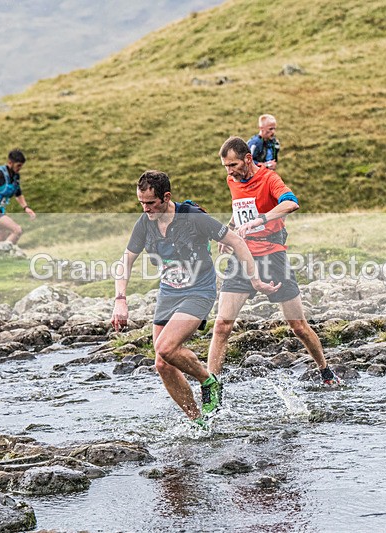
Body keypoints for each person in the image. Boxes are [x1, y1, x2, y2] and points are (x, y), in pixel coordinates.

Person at [110, 170, 278, 427]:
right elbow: (126, 260)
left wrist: (254, 279)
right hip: (168, 293)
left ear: (166, 197)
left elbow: (237, 241)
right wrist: (120, 298)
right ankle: (198, 421)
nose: (145, 209)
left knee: (166, 348)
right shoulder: (145, 223)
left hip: (199, 291)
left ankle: (208, 380)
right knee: (162, 363)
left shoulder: (193, 217)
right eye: (141, 203)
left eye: (151, 203)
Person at [206, 136, 341, 408]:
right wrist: (227, 232)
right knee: (222, 325)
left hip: (273, 258)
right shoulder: (232, 181)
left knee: (298, 327)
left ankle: (325, 370)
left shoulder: (269, 179)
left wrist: (262, 219)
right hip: (242, 257)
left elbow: (291, 203)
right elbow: (239, 212)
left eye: (232, 164)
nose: (229, 171)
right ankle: (212, 388)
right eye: (224, 166)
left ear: (248, 159)